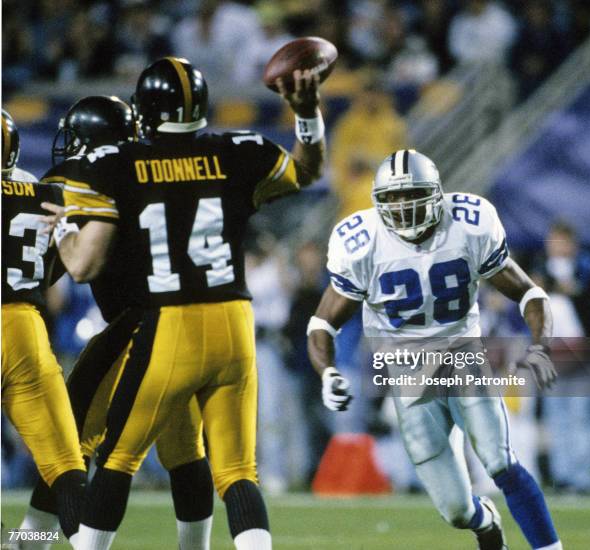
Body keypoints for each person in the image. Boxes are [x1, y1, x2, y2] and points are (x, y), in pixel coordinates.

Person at [44, 56, 325, 550]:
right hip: (236, 321)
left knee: (118, 458)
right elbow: (305, 170)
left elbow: (84, 267)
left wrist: (64, 228)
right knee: (238, 471)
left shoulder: (116, 163)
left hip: (168, 325)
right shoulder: (240, 149)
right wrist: (307, 113)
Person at [307, 149, 562, 550]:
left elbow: (529, 292)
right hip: (406, 370)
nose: (404, 207)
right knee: (456, 510)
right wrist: (327, 372)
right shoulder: (359, 241)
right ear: (378, 201)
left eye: (414, 195)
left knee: (500, 461)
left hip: (462, 353)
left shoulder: (469, 222)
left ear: (437, 193)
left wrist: (541, 346)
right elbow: (322, 323)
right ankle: (485, 523)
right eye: (393, 198)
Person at [23, 95, 217, 550]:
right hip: (188, 321)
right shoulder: (152, 166)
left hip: (133, 327)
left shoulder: (74, 176)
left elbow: (53, 267)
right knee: (186, 452)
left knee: (69, 446)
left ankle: (28, 543)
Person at [1, 109, 86, 547]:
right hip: (24, 328)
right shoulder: (46, 191)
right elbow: (56, 271)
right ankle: (25, 541)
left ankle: (17, 540)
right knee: (66, 467)